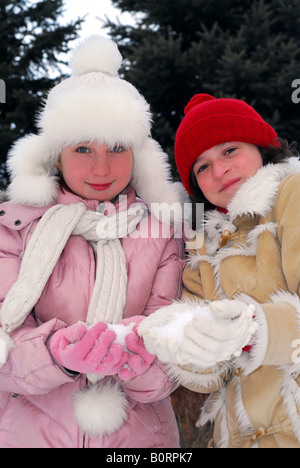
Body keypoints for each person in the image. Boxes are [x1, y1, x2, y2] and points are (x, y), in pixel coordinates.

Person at [0, 36, 188, 448]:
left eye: (117, 147)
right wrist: (55, 354)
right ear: (56, 154)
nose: (101, 167)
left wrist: (140, 356)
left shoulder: (162, 232)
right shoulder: (13, 226)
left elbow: (172, 367)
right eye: (83, 147)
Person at [139, 93, 300, 448]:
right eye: (202, 167)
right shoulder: (203, 247)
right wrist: (188, 344)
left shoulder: (293, 193)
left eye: (229, 150)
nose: (219, 170)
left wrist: (254, 328)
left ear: (262, 147)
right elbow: (208, 378)